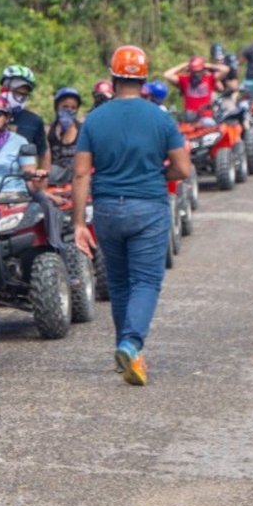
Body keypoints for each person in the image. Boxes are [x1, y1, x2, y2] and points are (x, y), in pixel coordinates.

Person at [72, 46, 192, 386]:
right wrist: (157, 177)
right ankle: (131, 343)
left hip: (107, 208)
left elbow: (81, 174)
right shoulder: (160, 118)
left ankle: (124, 354)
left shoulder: (95, 119)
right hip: (148, 208)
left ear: (113, 78)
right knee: (146, 281)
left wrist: (79, 223)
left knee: (121, 281)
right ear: (143, 80)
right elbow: (182, 167)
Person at [163, 55, 229, 116]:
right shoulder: (185, 80)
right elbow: (167, 74)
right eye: (193, 72)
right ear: (190, 71)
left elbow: (225, 69)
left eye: (198, 71)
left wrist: (205, 65)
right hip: (189, 116)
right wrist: (185, 65)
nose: (196, 74)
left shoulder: (209, 79)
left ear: (202, 71)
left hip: (205, 117)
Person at [48, 87, 85, 181]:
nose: (69, 110)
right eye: (65, 107)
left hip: (77, 178)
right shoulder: (49, 131)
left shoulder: (83, 130)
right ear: (57, 107)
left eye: (73, 108)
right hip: (54, 180)